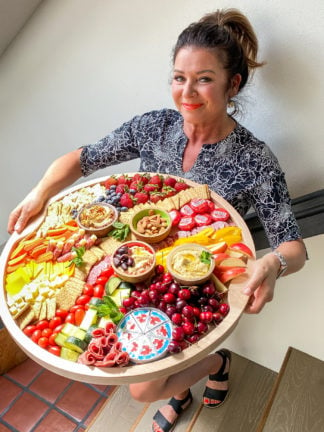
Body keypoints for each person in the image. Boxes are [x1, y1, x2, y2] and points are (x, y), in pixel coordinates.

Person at [8, 8, 306, 432]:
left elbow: (293, 246)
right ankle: (180, 388)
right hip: (135, 265)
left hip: (193, 281)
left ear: (232, 83)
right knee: (148, 368)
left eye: (204, 78)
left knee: (143, 389)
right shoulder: (153, 126)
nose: (187, 92)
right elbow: (81, 159)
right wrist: (39, 193)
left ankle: (216, 362)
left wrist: (273, 264)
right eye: (179, 77)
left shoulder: (255, 160)